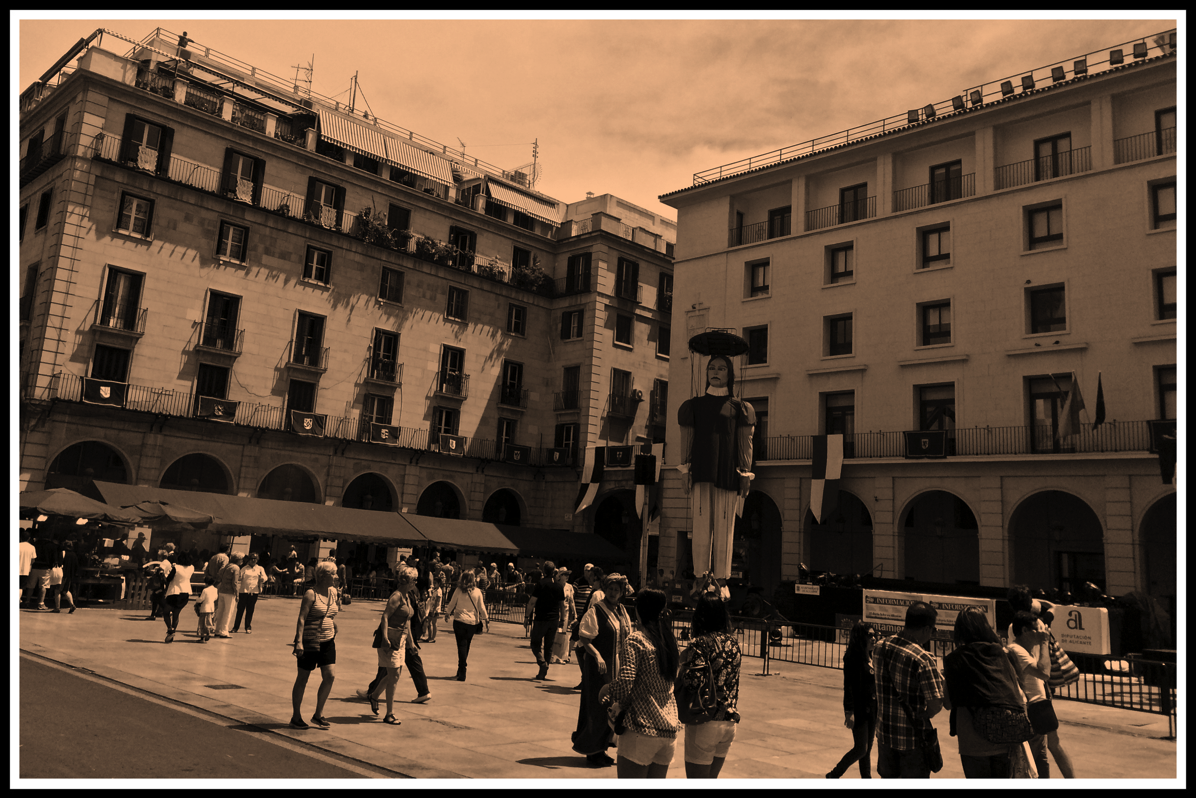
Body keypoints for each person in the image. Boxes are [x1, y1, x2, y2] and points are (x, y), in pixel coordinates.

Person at [677, 354, 756, 580]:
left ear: (729, 374)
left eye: (722, 368)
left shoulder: (740, 407)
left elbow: (745, 442)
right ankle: (700, 577)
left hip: (728, 472)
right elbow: (687, 439)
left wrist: (745, 473)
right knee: (700, 525)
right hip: (701, 471)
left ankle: (722, 579)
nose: (716, 372)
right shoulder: (693, 406)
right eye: (712, 367)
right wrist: (685, 470)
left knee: (725, 526)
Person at [600, 587, 680, 778]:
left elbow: (625, 683)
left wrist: (607, 688)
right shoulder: (668, 641)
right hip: (668, 732)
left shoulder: (636, 640)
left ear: (639, 610)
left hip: (641, 731)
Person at [942, 607, 1026, 778]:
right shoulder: (1002, 654)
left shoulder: (954, 659)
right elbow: (1019, 693)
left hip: (972, 742)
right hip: (1004, 735)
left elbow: (948, 703)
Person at [1006, 585, 1075, 778]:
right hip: (1043, 691)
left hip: (1029, 692)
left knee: (1031, 750)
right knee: (1052, 744)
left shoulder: (1017, 627)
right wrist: (1039, 602)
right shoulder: (1041, 623)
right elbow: (1053, 607)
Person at [873, 601, 945, 778]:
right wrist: (925, 715)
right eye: (933, 630)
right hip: (911, 740)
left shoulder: (879, 647)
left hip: (884, 735)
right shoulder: (922, 659)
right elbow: (936, 704)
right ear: (926, 629)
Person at [680, 593, 743, 778]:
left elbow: (693, 683)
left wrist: (683, 664)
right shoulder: (733, 643)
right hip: (728, 721)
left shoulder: (700, 643)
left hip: (705, 721)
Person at [572, 573, 632, 767]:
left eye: (617, 590)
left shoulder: (622, 610)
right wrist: (597, 656)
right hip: (600, 668)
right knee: (597, 707)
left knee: (613, 708)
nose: (613, 593)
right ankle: (592, 749)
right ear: (605, 590)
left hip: (618, 666)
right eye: (611, 589)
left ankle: (603, 747)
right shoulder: (596, 611)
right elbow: (585, 638)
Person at [290, 561, 341, 729]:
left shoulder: (333, 592)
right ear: (322, 576)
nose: (336, 577)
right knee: (303, 678)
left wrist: (332, 623)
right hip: (311, 640)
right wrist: (298, 642)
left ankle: (318, 714)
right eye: (333, 574)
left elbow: (331, 613)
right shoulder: (310, 594)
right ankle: (296, 716)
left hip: (328, 639)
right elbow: (302, 618)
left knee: (330, 676)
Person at [1008, 610, 1058, 778]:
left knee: (1041, 759)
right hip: (1029, 713)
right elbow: (1044, 672)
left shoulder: (1028, 649)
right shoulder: (1016, 650)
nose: (1042, 633)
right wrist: (1044, 642)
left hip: (1038, 710)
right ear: (1024, 631)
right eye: (1038, 629)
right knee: (1031, 762)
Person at [365, 567, 417, 726]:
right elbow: (385, 617)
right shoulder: (397, 596)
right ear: (408, 581)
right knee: (394, 675)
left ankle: (374, 696)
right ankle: (390, 714)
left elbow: (407, 621)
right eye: (414, 580)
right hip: (390, 640)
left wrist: (411, 642)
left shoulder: (407, 596)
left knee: (395, 673)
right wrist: (386, 638)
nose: (416, 583)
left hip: (400, 640)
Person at [827, 621, 878, 778]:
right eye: (870, 635)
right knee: (861, 748)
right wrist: (849, 712)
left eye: (875, 635)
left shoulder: (871, 657)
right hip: (860, 709)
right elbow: (848, 686)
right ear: (860, 637)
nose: (874, 638)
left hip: (873, 709)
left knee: (867, 750)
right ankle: (834, 774)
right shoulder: (852, 658)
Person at [442, 568, 488, 681]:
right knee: (466, 645)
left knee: (461, 645)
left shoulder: (458, 590)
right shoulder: (478, 592)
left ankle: (462, 670)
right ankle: (461, 668)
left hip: (459, 620)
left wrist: (448, 613)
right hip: (472, 622)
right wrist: (486, 619)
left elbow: (452, 602)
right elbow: (481, 607)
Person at [525, 561, 568, 680]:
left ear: (544, 571)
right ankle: (543, 672)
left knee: (535, 643)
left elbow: (532, 602)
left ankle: (542, 662)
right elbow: (562, 605)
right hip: (554, 620)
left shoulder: (540, 584)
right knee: (548, 647)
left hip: (541, 619)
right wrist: (563, 619)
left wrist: (526, 617)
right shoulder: (559, 586)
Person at [571, 565, 603, 689]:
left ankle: (587, 679)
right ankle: (586, 679)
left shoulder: (597, 594)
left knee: (582, 651)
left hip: (591, 630)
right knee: (581, 651)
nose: (588, 579)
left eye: (591, 577)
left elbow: (593, 612)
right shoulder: (595, 591)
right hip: (587, 626)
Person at [157, 551, 196, 643]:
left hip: (174, 592)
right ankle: (173, 629)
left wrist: (162, 576)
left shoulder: (176, 568)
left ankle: (170, 629)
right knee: (176, 614)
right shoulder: (192, 567)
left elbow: (169, 579)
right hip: (185, 592)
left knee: (166, 612)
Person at [232, 553, 267, 634]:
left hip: (254, 592)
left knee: (250, 610)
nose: (253, 560)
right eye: (251, 559)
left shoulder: (260, 568)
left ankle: (248, 627)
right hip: (243, 591)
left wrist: (262, 579)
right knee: (240, 610)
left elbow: (265, 577)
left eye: (255, 559)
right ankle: (235, 627)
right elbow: (239, 577)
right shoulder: (244, 568)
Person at [213, 552, 242, 638]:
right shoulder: (236, 568)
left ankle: (217, 630)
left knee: (220, 611)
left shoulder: (227, 566)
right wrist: (237, 594)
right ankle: (224, 631)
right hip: (230, 592)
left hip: (222, 590)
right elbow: (235, 582)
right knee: (228, 612)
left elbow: (220, 574)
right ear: (238, 560)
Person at [551, 568, 577, 665]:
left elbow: (571, 601)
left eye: (568, 574)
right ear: (560, 576)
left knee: (563, 635)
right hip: (555, 613)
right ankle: (552, 655)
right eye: (564, 574)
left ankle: (560, 656)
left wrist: (574, 613)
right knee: (554, 634)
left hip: (565, 614)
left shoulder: (569, 587)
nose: (567, 576)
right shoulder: (556, 586)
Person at [27, 528, 55, 610]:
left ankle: (27, 601)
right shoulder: (51, 545)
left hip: (34, 566)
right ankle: (41, 603)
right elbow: (53, 558)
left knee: (30, 585)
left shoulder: (35, 544)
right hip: (45, 568)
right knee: (43, 586)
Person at [52, 539, 80, 614]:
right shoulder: (74, 555)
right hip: (69, 576)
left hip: (62, 574)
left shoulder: (63, 553)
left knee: (57, 590)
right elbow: (76, 566)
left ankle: (57, 608)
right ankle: (72, 604)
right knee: (66, 590)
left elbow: (59, 564)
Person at [423, 571, 444, 642]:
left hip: (435, 609)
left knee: (433, 623)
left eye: (435, 583)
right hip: (431, 608)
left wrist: (434, 610)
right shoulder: (434, 590)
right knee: (430, 623)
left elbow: (437, 601)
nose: (434, 584)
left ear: (439, 583)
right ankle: (430, 637)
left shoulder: (439, 591)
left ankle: (432, 637)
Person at [19, 530, 36, 607]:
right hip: (25, 570)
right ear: (29, 538)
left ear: (20, 538)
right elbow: (33, 560)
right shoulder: (32, 547)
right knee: (20, 587)